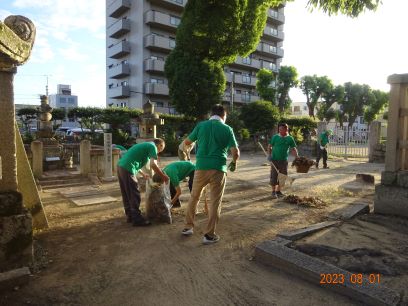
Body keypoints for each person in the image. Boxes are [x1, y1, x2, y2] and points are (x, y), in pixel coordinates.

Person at [181, 104, 240, 245]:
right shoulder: (227, 129)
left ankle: (188, 227)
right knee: (215, 201)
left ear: (211, 114)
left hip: (200, 167)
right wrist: (234, 162)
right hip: (219, 168)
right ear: (223, 115)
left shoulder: (201, 126)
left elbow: (187, 142)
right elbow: (235, 152)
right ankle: (209, 235)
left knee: (194, 197)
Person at [117, 138, 169, 226]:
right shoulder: (153, 147)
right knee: (134, 193)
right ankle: (137, 219)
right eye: (161, 149)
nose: (159, 152)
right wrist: (163, 176)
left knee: (127, 193)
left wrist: (143, 174)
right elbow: (153, 164)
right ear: (160, 145)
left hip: (121, 167)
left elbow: (135, 159)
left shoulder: (145, 145)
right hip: (127, 168)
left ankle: (130, 216)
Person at [267, 122, 298, 199]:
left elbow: (293, 148)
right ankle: (273, 192)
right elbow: (270, 146)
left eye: (281, 129)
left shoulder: (290, 138)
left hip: (284, 160)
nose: (280, 131)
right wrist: (269, 155)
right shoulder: (275, 137)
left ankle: (278, 191)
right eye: (279, 129)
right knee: (274, 176)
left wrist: (297, 157)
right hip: (274, 160)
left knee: (283, 176)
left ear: (286, 129)